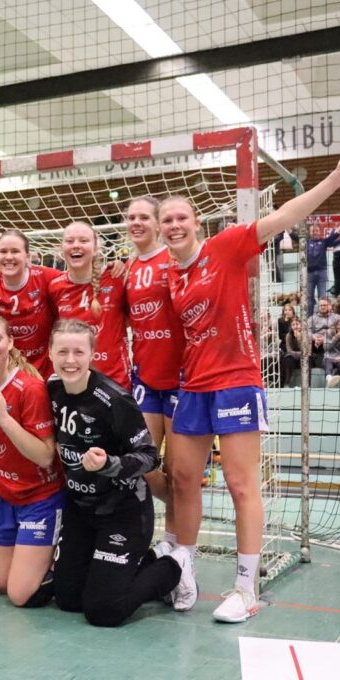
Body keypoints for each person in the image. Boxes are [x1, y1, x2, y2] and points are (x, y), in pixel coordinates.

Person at [159, 159, 340, 623]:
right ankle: (183, 569)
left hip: (235, 383)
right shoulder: (172, 279)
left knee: (241, 485)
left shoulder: (224, 247)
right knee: (183, 480)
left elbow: (284, 216)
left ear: (196, 223)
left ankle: (246, 587)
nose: (174, 225)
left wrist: (334, 180)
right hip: (193, 388)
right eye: (167, 220)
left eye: (181, 217)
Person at [46, 320, 187, 627]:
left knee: (103, 611)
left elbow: (149, 456)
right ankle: (142, 562)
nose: (70, 360)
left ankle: (172, 566)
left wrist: (109, 463)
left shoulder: (114, 399)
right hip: (80, 510)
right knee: (68, 599)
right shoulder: (52, 389)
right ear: (50, 353)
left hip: (122, 511)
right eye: (63, 352)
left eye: (79, 352)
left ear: (92, 354)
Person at [0, 312, 64, 607]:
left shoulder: (30, 388)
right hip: (5, 497)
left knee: (19, 594)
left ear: (10, 342)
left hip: (39, 498)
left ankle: (66, 562)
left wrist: (4, 418)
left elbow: (46, 456)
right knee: (2, 583)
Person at [123, 196, 184, 554]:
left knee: (177, 472)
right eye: (131, 217)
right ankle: (181, 508)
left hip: (180, 378)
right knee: (141, 463)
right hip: (145, 377)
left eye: (144, 217)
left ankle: (174, 544)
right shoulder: (127, 268)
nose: (137, 222)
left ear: (158, 223)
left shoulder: (173, 258)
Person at [48, 221, 130, 390]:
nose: (76, 245)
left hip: (116, 381)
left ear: (96, 248)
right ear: (62, 248)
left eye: (84, 241)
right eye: (69, 241)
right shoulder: (55, 287)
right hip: (74, 381)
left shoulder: (116, 277)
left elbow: (130, 319)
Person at [0, 230, 61, 379]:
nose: (9, 257)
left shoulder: (47, 276)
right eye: (3, 251)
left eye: (15, 251)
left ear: (28, 257)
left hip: (47, 367)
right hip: (9, 369)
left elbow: (77, 283)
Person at [290, 222, 340, 314]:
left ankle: (323, 316)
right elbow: (294, 237)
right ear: (310, 232)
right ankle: (309, 318)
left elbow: (334, 236)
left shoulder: (324, 242)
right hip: (309, 273)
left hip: (322, 273)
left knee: (322, 297)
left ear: (319, 232)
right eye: (313, 231)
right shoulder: (305, 242)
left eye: (316, 231)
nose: (315, 232)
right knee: (309, 298)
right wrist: (286, 227)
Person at [308, 296, 340, 371]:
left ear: (330, 306)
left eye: (325, 305)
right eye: (321, 305)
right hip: (315, 342)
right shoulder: (312, 318)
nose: (322, 307)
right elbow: (307, 331)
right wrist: (314, 338)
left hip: (331, 341)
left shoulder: (337, 317)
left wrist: (324, 338)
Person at [281, 318, 303, 387]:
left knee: (308, 359)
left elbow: (306, 351)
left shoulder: (306, 335)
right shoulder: (288, 335)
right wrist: (298, 354)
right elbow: (289, 351)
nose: (295, 326)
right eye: (293, 325)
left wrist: (299, 339)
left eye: (297, 324)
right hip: (293, 356)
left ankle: (307, 384)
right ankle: (286, 383)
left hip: (303, 357)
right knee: (287, 359)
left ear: (301, 325)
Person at [323, 318, 340, 387]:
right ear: (335, 326)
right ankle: (329, 379)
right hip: (329, 357)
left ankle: (334, 380)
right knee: (327, 361)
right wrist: (336, 337)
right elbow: (326, 348)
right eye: (339, 325)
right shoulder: (328, 332)